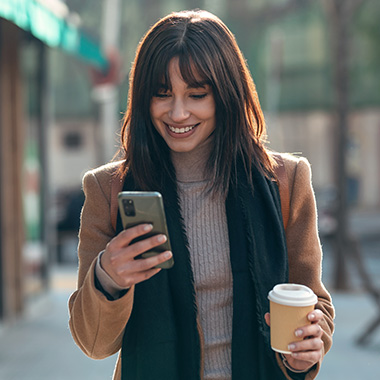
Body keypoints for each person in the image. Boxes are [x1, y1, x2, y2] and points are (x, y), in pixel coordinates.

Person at [68, 9, 334, 380]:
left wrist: (307, 350)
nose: (178, 113)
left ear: (225, 93)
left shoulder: (286, 182)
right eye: (162, 94)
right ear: (143, 98)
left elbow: (313, 302)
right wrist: (108, 277)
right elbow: (93, 343)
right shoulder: (108, 190)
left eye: (197, 94)